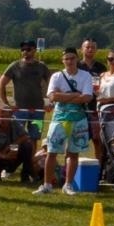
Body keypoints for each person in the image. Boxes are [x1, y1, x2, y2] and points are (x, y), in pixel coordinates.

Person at [36, 47, 94, 196]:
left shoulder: (85, 76)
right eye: (66, 59)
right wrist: (75, 95)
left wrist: (63, 96)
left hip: (78, 119)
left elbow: (87, 97)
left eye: (72, 58)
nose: (69, 61)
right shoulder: (57, 76)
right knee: (51, 151)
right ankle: (47, 184)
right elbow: (52, 96)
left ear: (77, 59)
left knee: (73, 153)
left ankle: (68, 184)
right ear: (63, 61)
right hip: (59, 118)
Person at [0, 41, 50, 137]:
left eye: (28, 49)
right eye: (23, 49)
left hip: (38, 110)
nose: (25, 51)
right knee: (17, 136)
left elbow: (52, 85)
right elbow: (1, 84)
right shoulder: (15, 66)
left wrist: (50, 102)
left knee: (35, 137)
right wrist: (6, 104)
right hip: (19, 110)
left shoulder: (42, 66)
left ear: (34, 50)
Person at [0, 107, 36, 183]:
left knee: (27, 145)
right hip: (1, 156)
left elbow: (26, 136)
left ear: (10, 116)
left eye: (6, 117)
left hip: (14, 153)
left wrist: (13, 147)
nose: (4, 119)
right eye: (1, 116)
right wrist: (5, 156)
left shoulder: (14, 123)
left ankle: (25, 176)